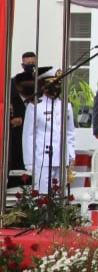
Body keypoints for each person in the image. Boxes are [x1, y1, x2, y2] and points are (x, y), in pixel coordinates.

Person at [21, 67, 76, 195]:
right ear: (43, 86)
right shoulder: (35, 105)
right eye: (52, 84)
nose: (56, 88)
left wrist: (71, 155)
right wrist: (29, 162)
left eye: (58, 84)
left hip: (62, 157)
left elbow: (70, 132)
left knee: (60, 195)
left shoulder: (66, 105)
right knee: (43, 195)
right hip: (42, 158)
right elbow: (29, 135)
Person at [7, 55, 38, 187]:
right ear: (18, 87)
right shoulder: (11, 97)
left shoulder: (39, 97)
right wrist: (11, 122)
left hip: (35, 142)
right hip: (17, 140)